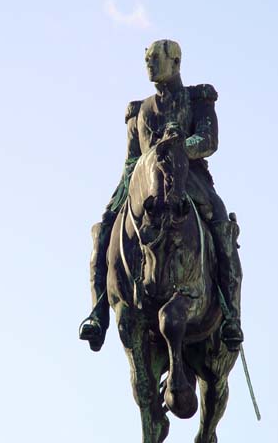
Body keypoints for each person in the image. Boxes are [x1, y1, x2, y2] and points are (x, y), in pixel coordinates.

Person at [79, 39, 244, 352]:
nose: (150, 65)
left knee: (222, 226)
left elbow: (208, 140)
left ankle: (230, 313)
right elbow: (131, 158)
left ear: (176, 62)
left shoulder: (198, 99)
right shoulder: (139, 111)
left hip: (189, 179)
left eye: (156, 59)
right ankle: (99, 310)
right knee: (103, 231)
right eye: (147, 60)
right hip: (143, 184)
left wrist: (179, 147)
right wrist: (124, 192)